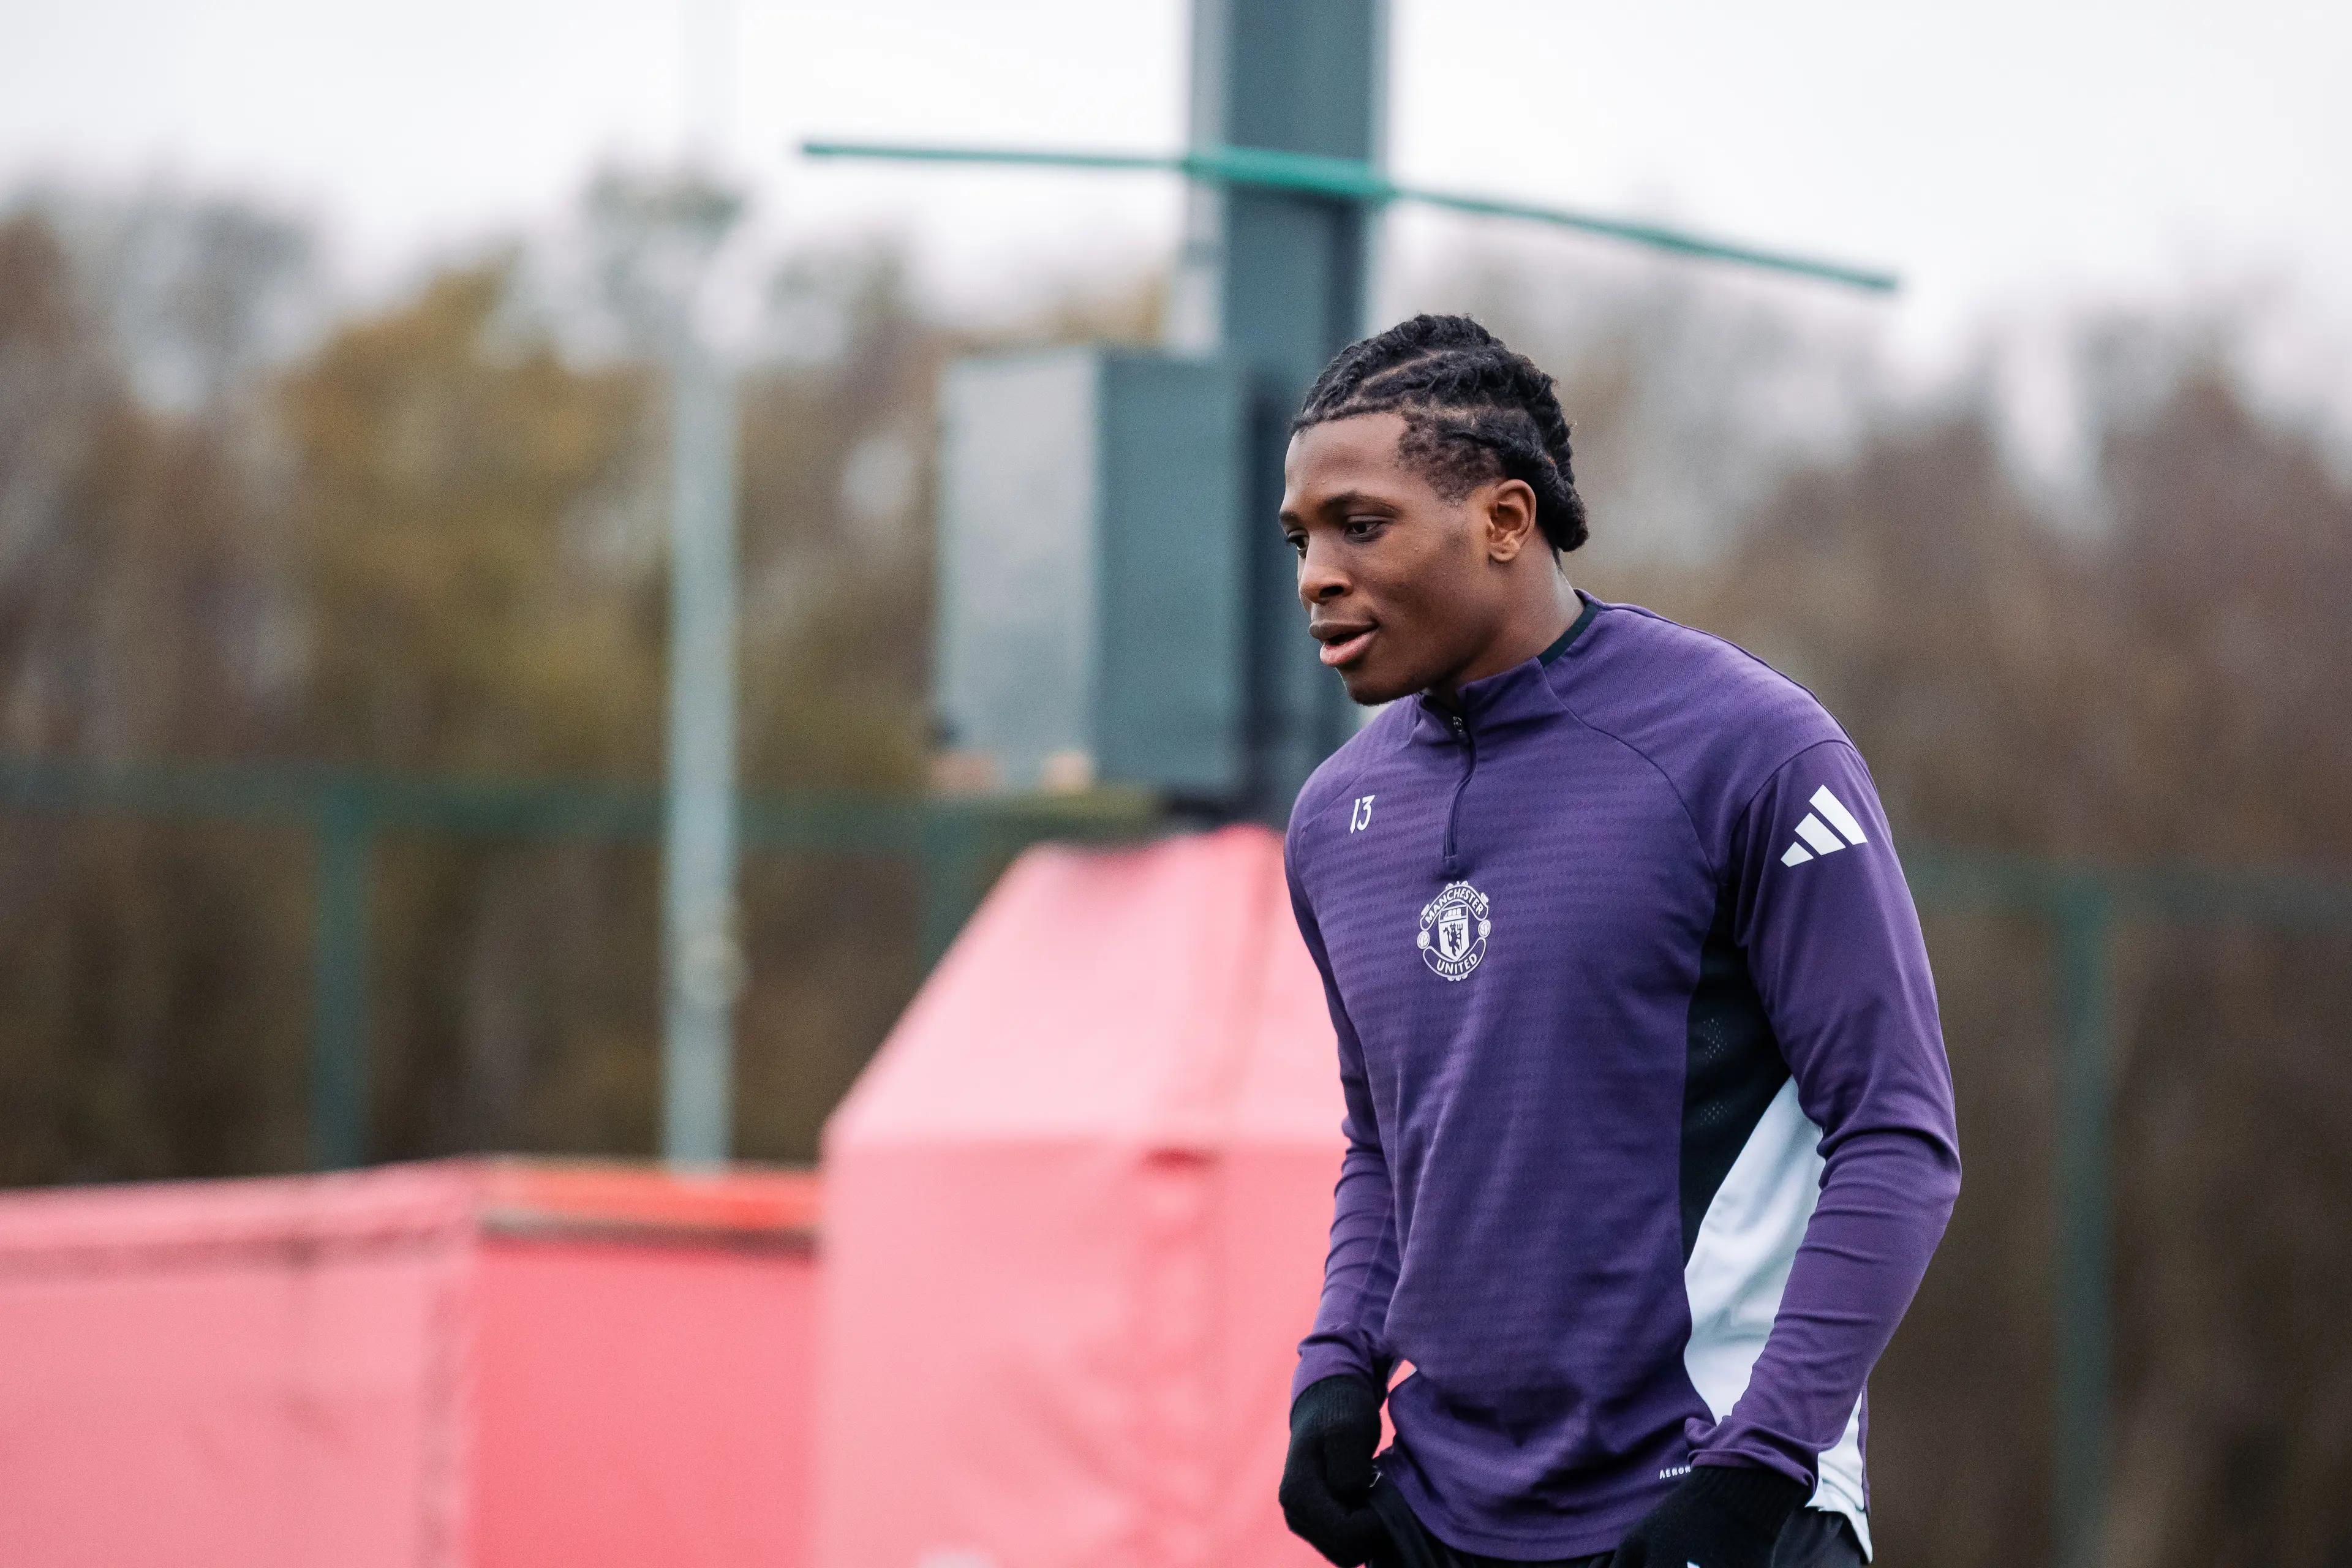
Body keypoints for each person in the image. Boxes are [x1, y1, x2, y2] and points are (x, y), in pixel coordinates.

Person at [1273, 315, 1960, 1568]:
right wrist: (1335, 1371)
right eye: (1300, 536)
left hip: (1711, 1507)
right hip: (1444, 1516)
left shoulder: (1751, 751)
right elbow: (1386, 1137)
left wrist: (1757, 1469)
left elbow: (1898, 1135)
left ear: (1503, 517)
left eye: (1360, 524)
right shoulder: (1333, 821)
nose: (1317, 569)